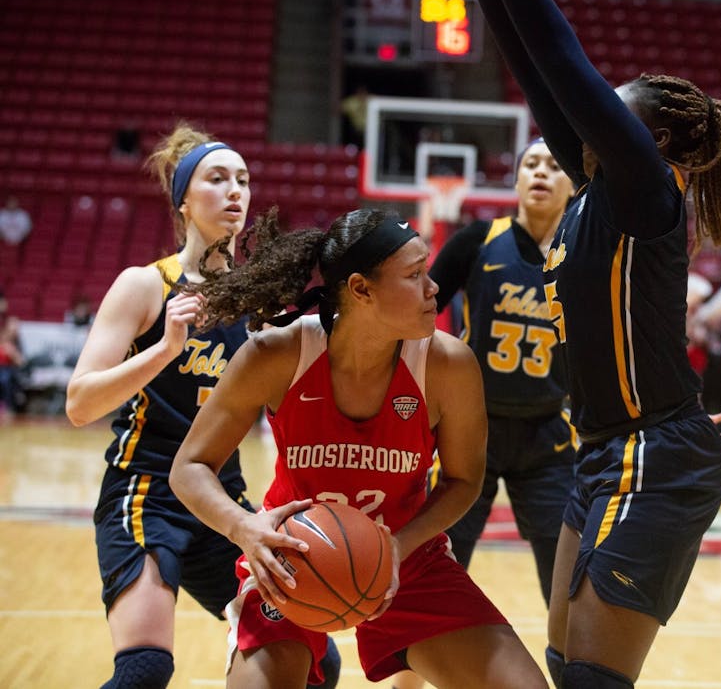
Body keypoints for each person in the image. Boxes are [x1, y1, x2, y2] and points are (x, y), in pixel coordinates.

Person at [448, 0, 721, 687]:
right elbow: (539, 77)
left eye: (613, 104)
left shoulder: (647, 188)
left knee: (592, 677)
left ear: (653, 140)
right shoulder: (598, 186)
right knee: (569, 665)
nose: (594, 110)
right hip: (603, 446)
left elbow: (562, 61)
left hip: (654, 453)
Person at [169, 207, 549, 689]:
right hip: (292, 560)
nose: (433, 288)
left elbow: (464, 480)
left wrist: (397, 546)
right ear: (361, 290)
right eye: (414, 275)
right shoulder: (277, 354)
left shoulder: (448, 365)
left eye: (427, 270)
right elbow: (190, 467)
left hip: (409, 561)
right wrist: (245, 528)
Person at [65, 123, 339, 689]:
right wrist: (166, 349)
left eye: (243, 179)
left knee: (318, 666)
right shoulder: (145, 286)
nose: (235, 190)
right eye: (217, 178)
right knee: (145, 669)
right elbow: (80, 403)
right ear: (183, 200)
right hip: (145, 492)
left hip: (220, 498)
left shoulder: (261, 306)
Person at [392, 138, 577, 689]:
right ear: (516, 180)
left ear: (573, 184)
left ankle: (576, 674)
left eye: (553, 165)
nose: (541, 172)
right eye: (530, 164)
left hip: (551, 434)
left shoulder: (584, 252)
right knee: (435, 565)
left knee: (566, 579)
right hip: (471, 429)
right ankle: (405, 683)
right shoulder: (479, 239)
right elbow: (416, 305)